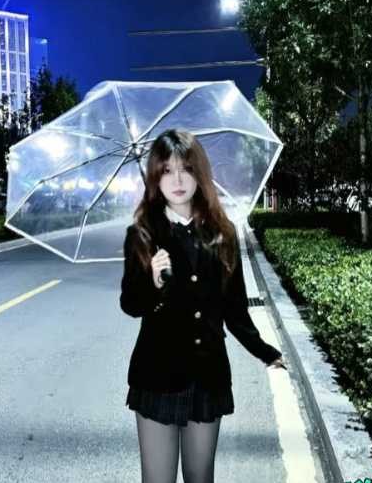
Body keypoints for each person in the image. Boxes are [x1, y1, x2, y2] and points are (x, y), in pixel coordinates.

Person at [120, 128, 286, 483]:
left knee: (200, 477)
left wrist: (267, 352)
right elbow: (131, 304)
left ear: (200, 173)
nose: (178, 180)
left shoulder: (223, 233)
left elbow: (235, 310)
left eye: (186, 169)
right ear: (155, 177)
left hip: (207, 375)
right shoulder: (142, 234)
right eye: (167, 170)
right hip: (157, 374)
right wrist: (152, 280)